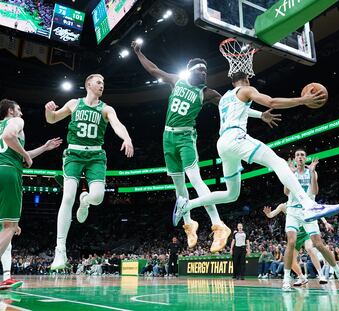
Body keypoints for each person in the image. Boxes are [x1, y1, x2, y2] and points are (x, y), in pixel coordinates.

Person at [131, 42, 278, 252]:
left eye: (206, 71)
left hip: (185, 138)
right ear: (190, 71)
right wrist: (138, 53)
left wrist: (260, 114)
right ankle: (189, 224)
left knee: (196, 180)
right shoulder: (177, 81)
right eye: (200, 70)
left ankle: (218, 225)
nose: (204, 73)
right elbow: (154, 69)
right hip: (167, 137)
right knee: (178, 186)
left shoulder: (208, 93)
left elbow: (233, 106)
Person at [173, 71, 339, 227]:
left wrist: (261, 115)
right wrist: (303, 100)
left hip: (223, 143)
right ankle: (308, 204)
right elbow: (271, 102)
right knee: (279, 162)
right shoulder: (246, 90)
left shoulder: (225, 97)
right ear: (246, 80)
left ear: (232, 82)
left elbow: (241, 110)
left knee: (231, 194)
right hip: (236, 137)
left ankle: (187, 204)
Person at [45, 74, 134, 270]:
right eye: (99, 82)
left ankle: (84, 201)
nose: (102, 85)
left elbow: (117, 125)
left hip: (95, 156)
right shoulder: (74, 104)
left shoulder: (106, 109)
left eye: (104, 82)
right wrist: (48, 111)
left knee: (98, 198)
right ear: (88, 84)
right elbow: (52, 120)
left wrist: (126, 138)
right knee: (67, 197)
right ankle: (60, 251)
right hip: (74, 153)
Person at [0, 99, 62, 288]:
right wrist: (26, 156)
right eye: (19, 109)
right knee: (10, 227)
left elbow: (15, 151)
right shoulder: (16, 122)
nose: (22, 113)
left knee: (7, 228)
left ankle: (6, 278)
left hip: (5, 166)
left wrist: (43, 148)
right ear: (10, 111)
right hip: (8, 172)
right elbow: (9, 137)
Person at [280, 149, 339, 290]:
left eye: (302, 155)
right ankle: (286, 279)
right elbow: (286, 192)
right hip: (293, 210)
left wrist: (312, 172)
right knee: (291, 242)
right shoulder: (290, 173)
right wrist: (289, 174)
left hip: (308, 210)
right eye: (298, 155)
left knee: (318, 244)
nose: (300, 157)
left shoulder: (312, 172)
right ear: (294, 159)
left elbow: (315, 192)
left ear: (305, 159)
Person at [263, 202, 331, 285]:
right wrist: (268, 214)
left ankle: (321, 275)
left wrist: (325, 223)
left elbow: (317, 210)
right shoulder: (283, 206)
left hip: (306, 232)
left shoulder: (303, 201)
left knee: (309, 248)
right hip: (295, 235)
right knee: (289, 260)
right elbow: (271, 215)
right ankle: (302, 278)